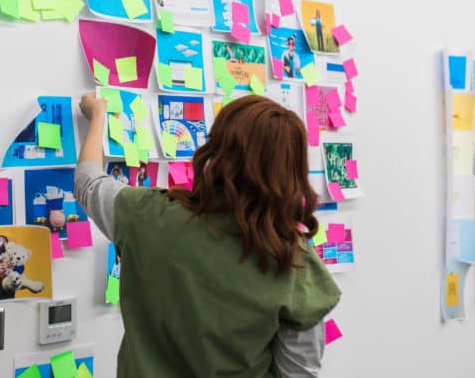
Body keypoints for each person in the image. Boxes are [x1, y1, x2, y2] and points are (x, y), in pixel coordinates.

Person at [74, 94, 340, 377]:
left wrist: (98, 116)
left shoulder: (147, 215)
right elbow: (298, 373)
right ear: (292, 171)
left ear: (218, 148)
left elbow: (87, 181)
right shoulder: (293, 261)